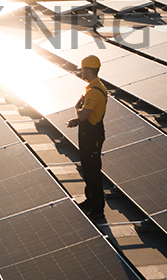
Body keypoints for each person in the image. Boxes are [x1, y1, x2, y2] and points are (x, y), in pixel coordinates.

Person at [67, 55, 107, 220]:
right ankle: (90, 201)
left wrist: (77, 110)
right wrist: (77, 121)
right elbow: (89, 115)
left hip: (92, 137)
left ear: (89, 70)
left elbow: (84, 115)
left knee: (92, 172)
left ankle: (97, 209)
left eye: (83, 69)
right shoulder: (96, 86)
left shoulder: (94, 91)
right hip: (88, 134)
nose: (81, 72)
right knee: (88, 170)